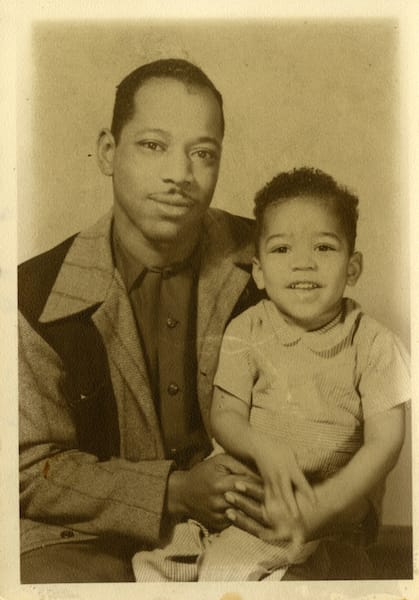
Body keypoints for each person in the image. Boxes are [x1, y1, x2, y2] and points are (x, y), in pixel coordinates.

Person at [19, 59, 380, 584]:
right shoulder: (35, 294)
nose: (178, 175)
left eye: (202, 153)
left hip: (258, 531)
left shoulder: (278, 261)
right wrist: (171, 490)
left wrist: (324, 503)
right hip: (89, 539)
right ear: (106, 152)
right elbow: (28, 468)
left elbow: (354, 400)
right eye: (152, 146)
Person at [132, 167, 409, 581]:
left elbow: (385, 444)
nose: (303, 264)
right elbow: (224, 415)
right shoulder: (249, 328)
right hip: (240, 491)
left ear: (353, 268)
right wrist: (263, 447)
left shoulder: (373, 344)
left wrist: (326, 503)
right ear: (259, 272)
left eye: (323, 248)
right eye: (282, 250)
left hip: (311, 505)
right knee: (154, 564)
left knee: (229, 572)